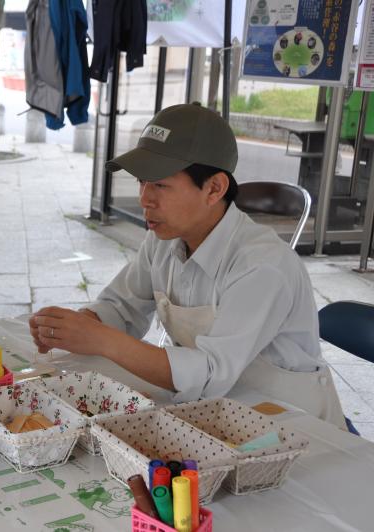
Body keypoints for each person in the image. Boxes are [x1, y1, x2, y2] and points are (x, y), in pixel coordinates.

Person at [30, 103, 347, 430]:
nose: (144, 199)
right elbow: (121, 307)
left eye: (160, 185)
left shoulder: (263, 266)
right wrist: (77, 326)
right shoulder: (164, 241)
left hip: (294, 426)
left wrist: (101, 339)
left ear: (214, 188)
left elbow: (211, 372)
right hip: (214, 414)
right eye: (141, 182)